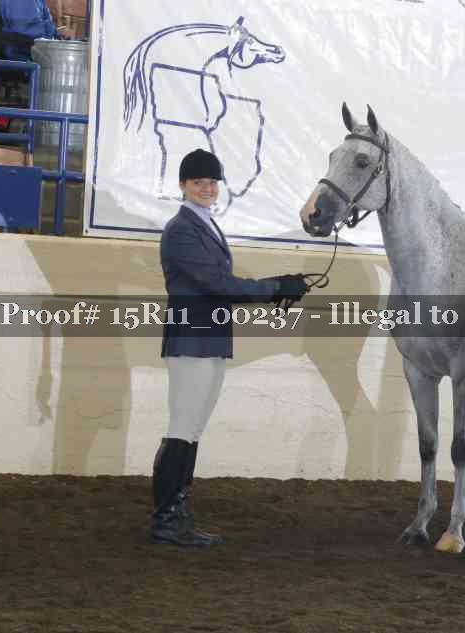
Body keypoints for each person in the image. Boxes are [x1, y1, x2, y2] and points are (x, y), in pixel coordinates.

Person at [151, 148, 309, 547]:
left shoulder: (205, 224)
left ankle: (178, 513)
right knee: (181, 429)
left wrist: (279, 284)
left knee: (192, 430)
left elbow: (221, 283)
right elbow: (217, 284)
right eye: (198, 182)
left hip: (211, 337)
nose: (207, 188)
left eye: (212, 182)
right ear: (183, 185)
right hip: (192, 338)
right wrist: (275, 288)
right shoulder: (181, 229)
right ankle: (166, 519)